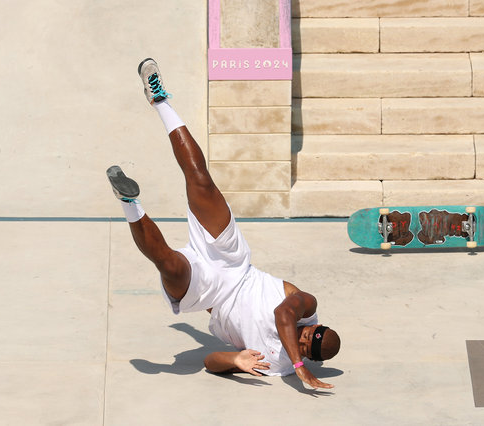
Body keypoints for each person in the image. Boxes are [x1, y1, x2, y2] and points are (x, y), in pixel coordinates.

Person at [107, 58, 340, 389]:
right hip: (234, 261)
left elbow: (209, 361)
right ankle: (159, 99)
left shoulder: (276, 365)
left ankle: (129, 201)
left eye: (303, 346)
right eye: (307, 333)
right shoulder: (306, 306)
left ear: (312, 353)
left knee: (170, 267)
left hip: (209, 292)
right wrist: (301, 366)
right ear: (316, 326)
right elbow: (282, 316)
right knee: (202, 181)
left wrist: (235, 359)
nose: (301, 337)